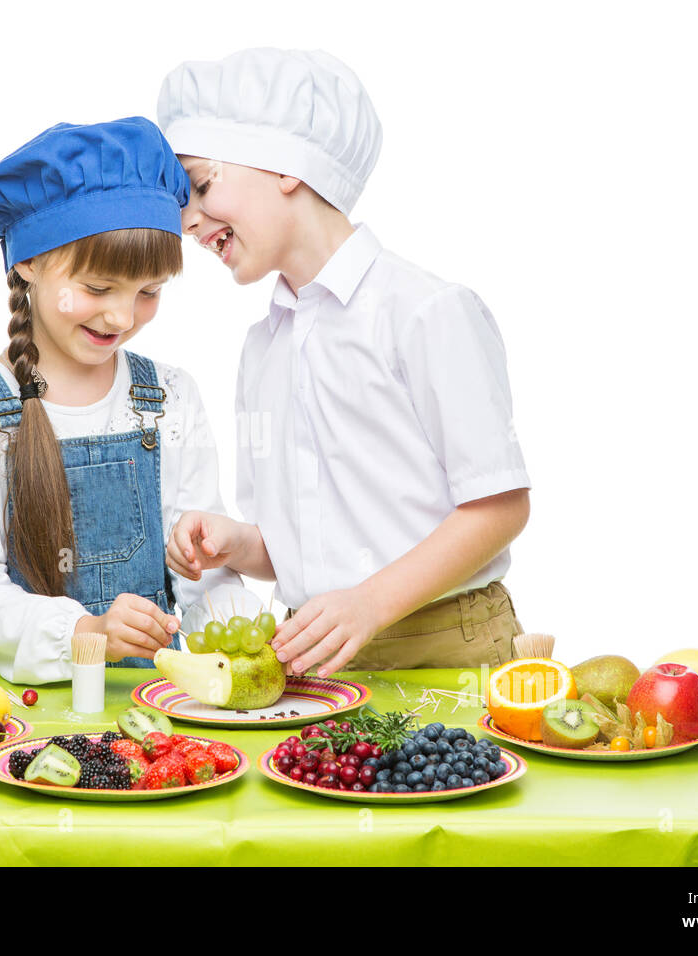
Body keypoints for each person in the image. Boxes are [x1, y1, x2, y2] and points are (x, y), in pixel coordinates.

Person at [157, 49, 532, 678]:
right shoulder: (263, 347)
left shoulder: (425, 311)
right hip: (316, 655)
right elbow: (306, 543)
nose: (188, 222)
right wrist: (240, 543)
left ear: (286, 168)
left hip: (444, 646)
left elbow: (500, 505)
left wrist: (370, 605)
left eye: (200, 185)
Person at [0, 116, 241, 685]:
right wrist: (84, 633)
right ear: (27, 263)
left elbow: (201, 569)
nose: (121, 317)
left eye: (148, 293)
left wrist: (236, 640)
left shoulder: (169, 398)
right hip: (14, 712)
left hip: (146, 701)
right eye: (96, 289)